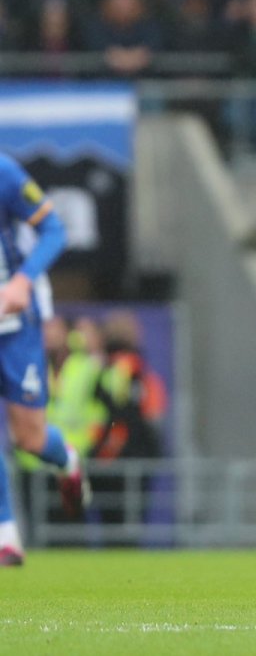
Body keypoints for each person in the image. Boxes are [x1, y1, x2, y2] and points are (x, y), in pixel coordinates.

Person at [0, 152, 88, 567]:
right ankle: (7, 537)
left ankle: (66, 460)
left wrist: (21, 281)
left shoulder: (4, 173)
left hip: (17, 321)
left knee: (28, 439)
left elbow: (54, 229)